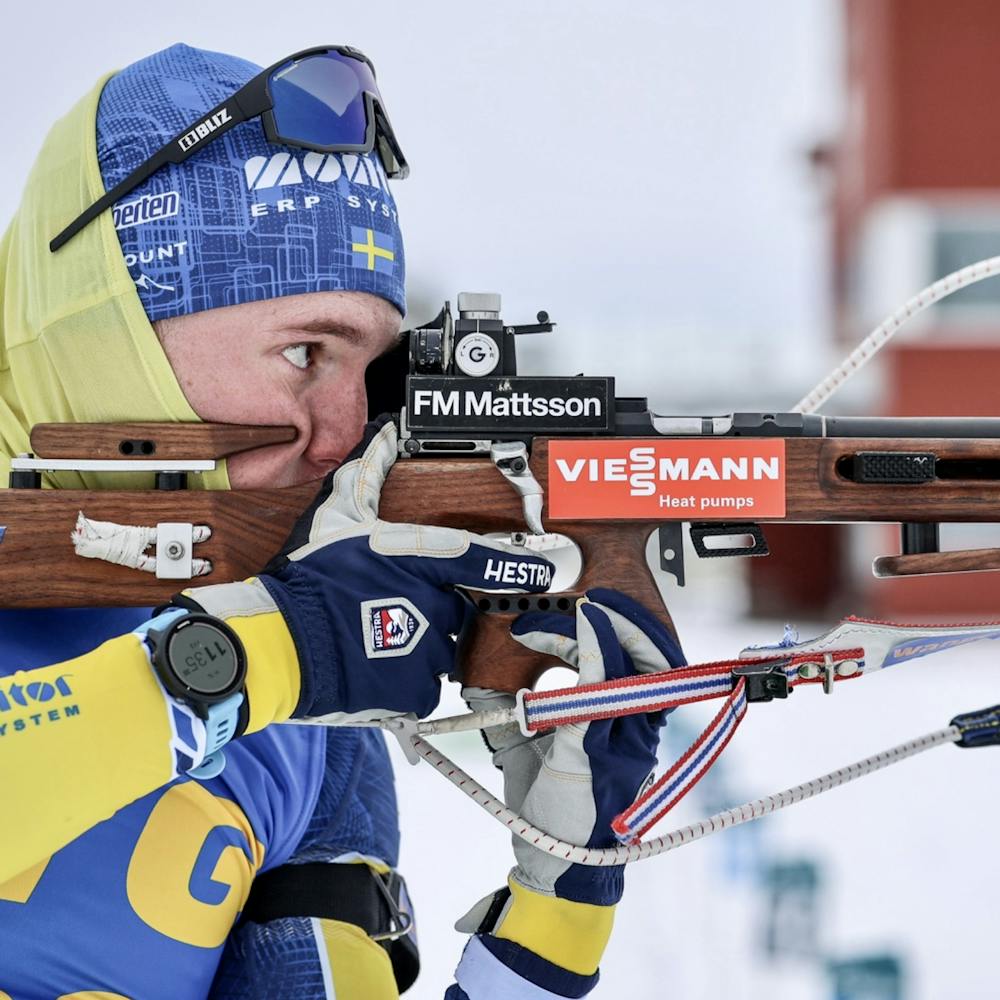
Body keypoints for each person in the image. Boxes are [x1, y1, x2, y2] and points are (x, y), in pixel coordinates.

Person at [0, 44, 685, 999]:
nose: (343, 433)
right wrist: (239, 666)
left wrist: (556, 915)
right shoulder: (287, 660)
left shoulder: (315, 726)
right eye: (303, 351)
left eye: (371, 373)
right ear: (106, 330)